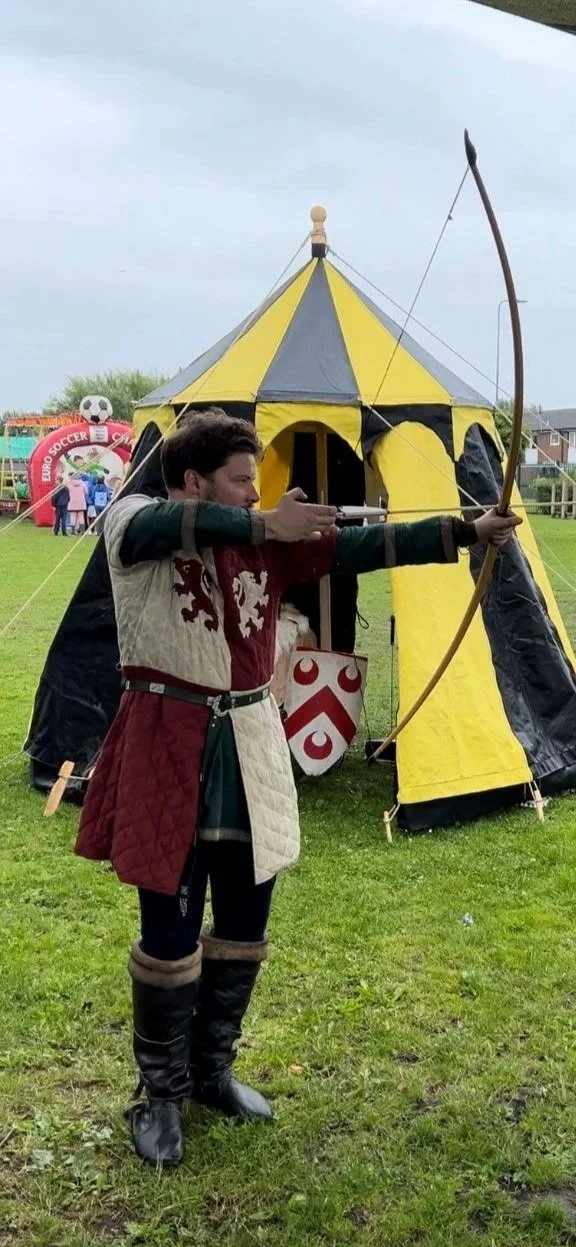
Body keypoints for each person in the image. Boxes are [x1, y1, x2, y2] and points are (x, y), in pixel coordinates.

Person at [74, 409, 520, 1168]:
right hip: (167, 748)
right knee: (169, 936)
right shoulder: (132, 521)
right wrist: (263, 526)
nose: (254, 494)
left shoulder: (265, 543)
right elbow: (153, 530)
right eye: (241, 481)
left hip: (248, 747)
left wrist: (463, 531)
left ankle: (211, 1072)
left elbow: (361, 546)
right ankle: (161, 1095)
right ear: (193, 480)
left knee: (245, 922)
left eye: (256, 483)